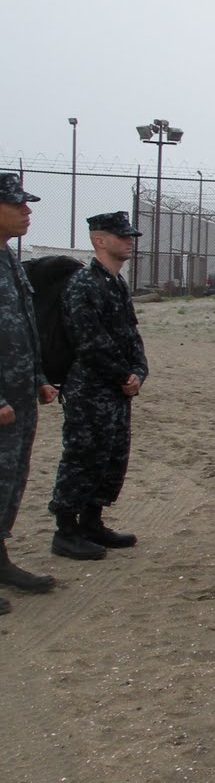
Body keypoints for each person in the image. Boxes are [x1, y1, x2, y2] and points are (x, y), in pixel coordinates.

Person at [48, 211, 149, 561]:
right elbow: (90, 341)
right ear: (99, 240)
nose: (129, 241)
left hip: (117, 390)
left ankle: (92, 521)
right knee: (83, 455)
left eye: (130, 236)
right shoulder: (83, 284)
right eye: (122, 236)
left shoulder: (117, 284)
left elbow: (130, 333)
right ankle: (66, 529)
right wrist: (125, 376)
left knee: (111, 456)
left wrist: (139, 370)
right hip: (90, 389)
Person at [0, 173, 60, 609]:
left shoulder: (7, 259)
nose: (27, 211)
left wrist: (38, 375)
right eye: (18, 204)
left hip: (19, 396)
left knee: (10, 481)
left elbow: (22, 325)